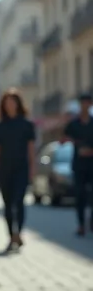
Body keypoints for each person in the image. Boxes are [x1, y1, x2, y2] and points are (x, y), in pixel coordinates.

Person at [0, 88, 36, 252]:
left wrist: (32, 169)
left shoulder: (27, 125)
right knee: (8, 205)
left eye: (12, 102)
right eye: (7, 103)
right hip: (5, 170)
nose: (10, 105)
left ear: (18, 104)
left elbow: (31, 149)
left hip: (21, 169)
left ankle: (19, 232)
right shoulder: (1, 126)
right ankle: (11, 236)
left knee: (19, 202)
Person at [62, 92, 93, 237]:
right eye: (83, 103)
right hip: (79, 165)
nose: (85, 106)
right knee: (80, 195)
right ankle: (81, 224)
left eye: (87, 103)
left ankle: (91, 223)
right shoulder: (73, 124)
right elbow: (62, 139)